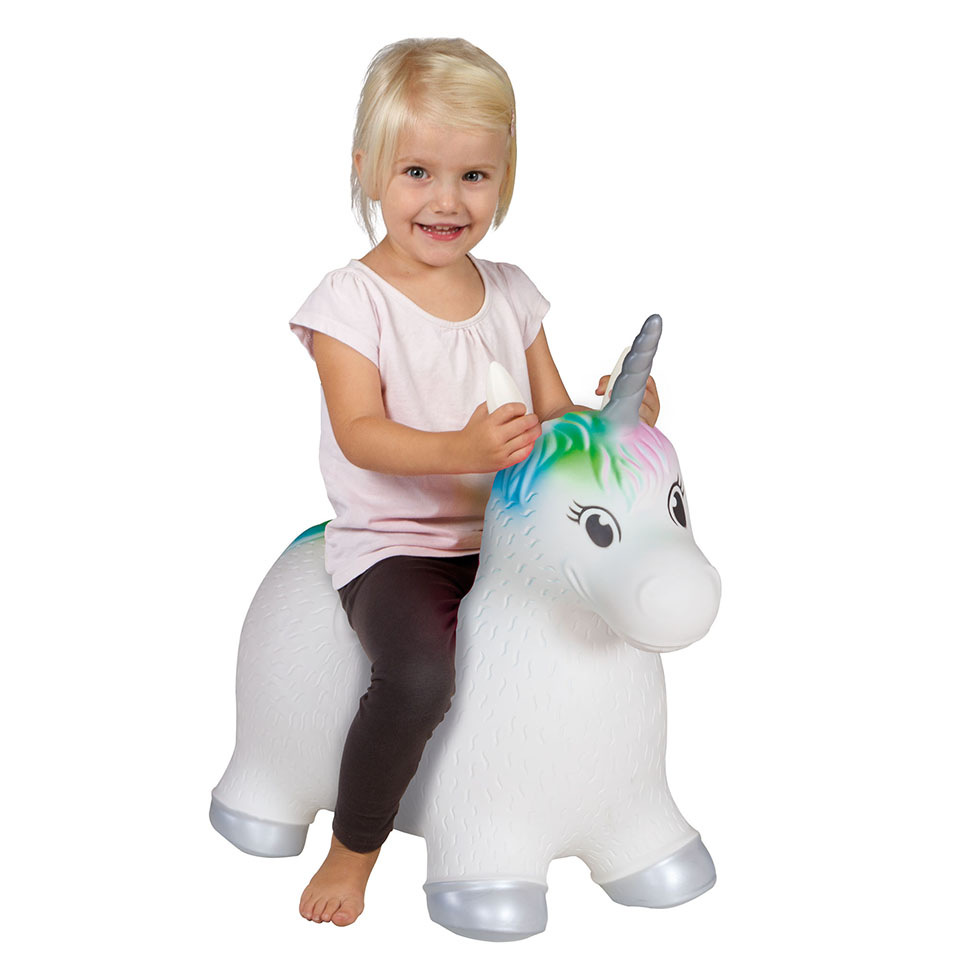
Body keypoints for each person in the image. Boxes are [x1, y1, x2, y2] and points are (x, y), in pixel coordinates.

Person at [288, 37, 660, 928]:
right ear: (367, 170)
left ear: (505, 178)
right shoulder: (350, 303)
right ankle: (354, 847)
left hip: (510, 539)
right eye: (417, 171)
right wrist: (463, 447)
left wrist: (617, 415)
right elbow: (361, 434)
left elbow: (553, 419)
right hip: (400, 548)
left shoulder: (514, 294)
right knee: (418, 675)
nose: (447, 200)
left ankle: (606, 810)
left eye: (474, 176)